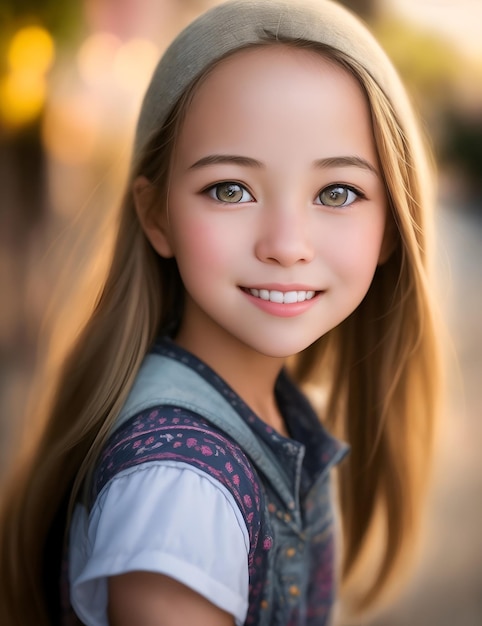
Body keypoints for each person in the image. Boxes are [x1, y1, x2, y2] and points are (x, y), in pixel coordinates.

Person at [0, 0, 441, 624]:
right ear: (157, 216)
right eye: (230, 189)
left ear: (392, 227)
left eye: (337, 193)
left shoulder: (277, 407)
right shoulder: (181, 494)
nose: (286, 245)